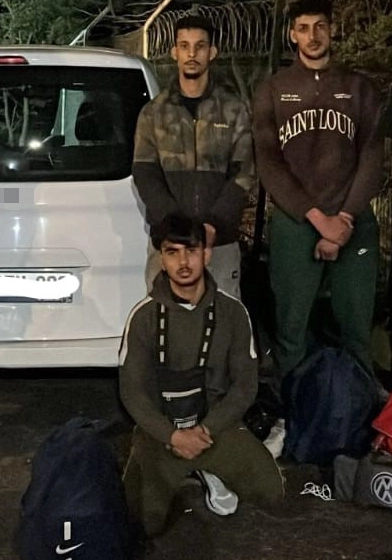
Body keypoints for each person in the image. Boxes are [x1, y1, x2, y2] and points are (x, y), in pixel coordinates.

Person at [119, 213, 283, 538]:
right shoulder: (143, 316)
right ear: (161, 259)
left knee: (272, 492)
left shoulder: (233, 312)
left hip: (215, 428)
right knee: (141, 522)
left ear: (206, 254)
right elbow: (131, 391)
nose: (183, 262)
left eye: (191, 251)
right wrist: (172, 436)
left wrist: (205, 430)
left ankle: (210, 470)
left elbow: (245, 386)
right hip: (163, 434)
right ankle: (187, 467)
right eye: (172, 252)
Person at [251, 0, 384, 381]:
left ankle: (359, 404)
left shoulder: (359, 88)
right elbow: (268, 163)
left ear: (332, 29)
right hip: (296, 221)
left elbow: (372, 157)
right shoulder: (273, 90)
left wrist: (344, 218)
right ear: (292, 34)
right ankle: (294, 405)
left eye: (320, 26)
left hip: (351, 220)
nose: (313, 36)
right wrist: (316, 218)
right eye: (304, 28)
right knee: (291, 330)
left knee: (357, 330)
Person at [132, 15, 255, 298]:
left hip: (220, 245)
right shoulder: (153, 113)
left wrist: (212, 227)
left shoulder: (234, 110)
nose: (191, 53)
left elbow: (244, 173)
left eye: (200, 46)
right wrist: (176, 228)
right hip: (169, 245)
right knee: (165, 320)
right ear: (174, 52)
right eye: (184, 46)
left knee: (223, 319)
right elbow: (145, 173)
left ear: (212, 52)